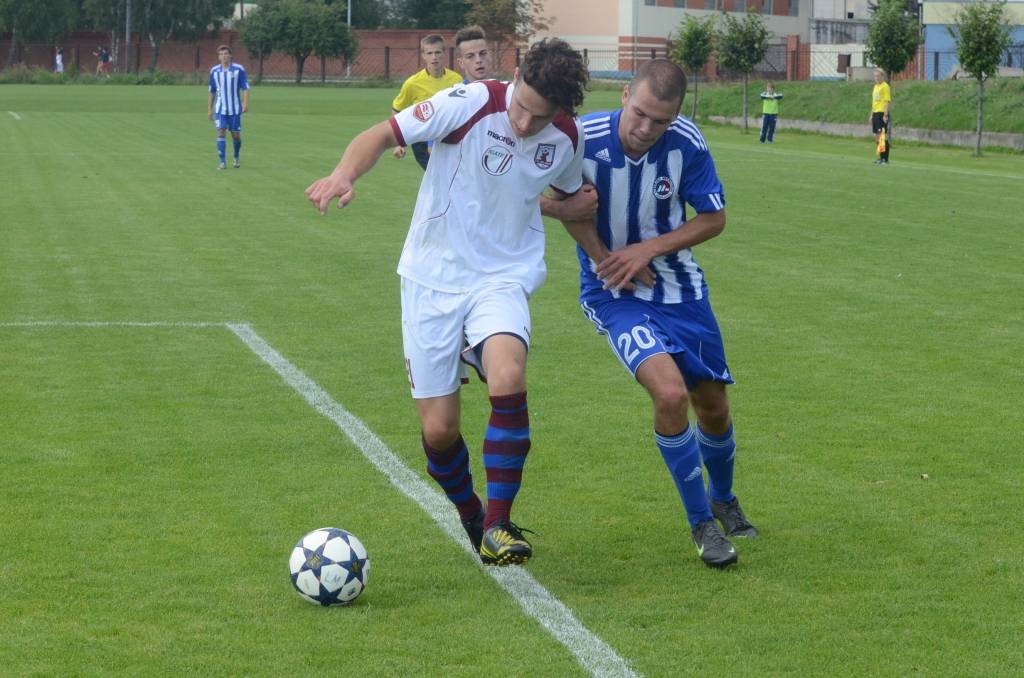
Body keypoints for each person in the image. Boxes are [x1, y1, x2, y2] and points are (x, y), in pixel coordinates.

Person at [306, 39, 590, 567]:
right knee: (439, 431)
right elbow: (381, 134)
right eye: (523, 108)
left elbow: (572, 200)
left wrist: (606, 257)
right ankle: (472, 516)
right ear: (515, 76)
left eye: (541, 116)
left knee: (509, 373)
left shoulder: (566, 137)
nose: (525, 124)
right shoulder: (470, 102)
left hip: (501, 277)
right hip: (431, 277)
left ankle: (499, 524)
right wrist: (344, 174)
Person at [551, 59, 757, 569]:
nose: (646, 128)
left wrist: (646, 250)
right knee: (669, 394)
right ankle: (702, 525)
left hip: (682, 290)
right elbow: (547, 199)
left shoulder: (687, 143)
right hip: (613, 292)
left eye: (659, 120)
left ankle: (723, 499)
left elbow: (713, 218)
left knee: (713, 405)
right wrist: (608, 260)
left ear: (675, 117)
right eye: (640, 113)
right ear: (625, 95)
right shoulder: (580, 139)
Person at [390, 35, 463, 170]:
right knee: (438, 175)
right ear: (423, 55)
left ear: (444, 53)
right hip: (422, 139)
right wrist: (398, 143)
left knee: (450, 176)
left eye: (437, 52)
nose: (434, 57)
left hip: (448, 136)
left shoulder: (456, 80)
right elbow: (397, 109)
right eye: (429, 53)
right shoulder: (412, 83)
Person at [207, 45, 250, 170]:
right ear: (218, 57)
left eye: (226, 53)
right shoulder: (214, 71)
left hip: (235, 108)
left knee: (235, 135)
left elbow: (245, 88)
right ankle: (222, 161)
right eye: (221, 54)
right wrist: (209, 109)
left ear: (230, 55)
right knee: (221, 131)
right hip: (220, 108)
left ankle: (236, 156)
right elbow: (212, 91)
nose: (224, 56)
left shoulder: (238, 69)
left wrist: (245, 103)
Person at [870, 68, 891, 164]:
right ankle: (880, 157)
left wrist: (885, 114)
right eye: (875, 76)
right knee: (877, 136)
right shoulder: (875, 86)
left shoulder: (885, 86)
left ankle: (884, 158)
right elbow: (874, 102)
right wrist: (872, 114)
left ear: (882, 76)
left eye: (878, 76)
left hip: (882, 113)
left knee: (882, 136)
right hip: (875, 113)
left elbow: (887, 101)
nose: (876, 78)